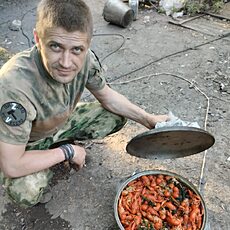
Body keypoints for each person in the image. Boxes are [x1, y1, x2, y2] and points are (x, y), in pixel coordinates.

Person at [0, 0, 169, 207]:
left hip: (56, 124)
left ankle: (56, 145)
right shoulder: (13, 86)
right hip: (23, 145)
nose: (66, 62)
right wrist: (68, 152)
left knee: (114, 117)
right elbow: (12, 165)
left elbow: (106, 96)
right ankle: (55, 151)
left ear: (87, 45)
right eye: (55, 46)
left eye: (77, 50)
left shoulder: (86, 59)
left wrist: (149, 119)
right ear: (37, 38)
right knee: (25, 192)